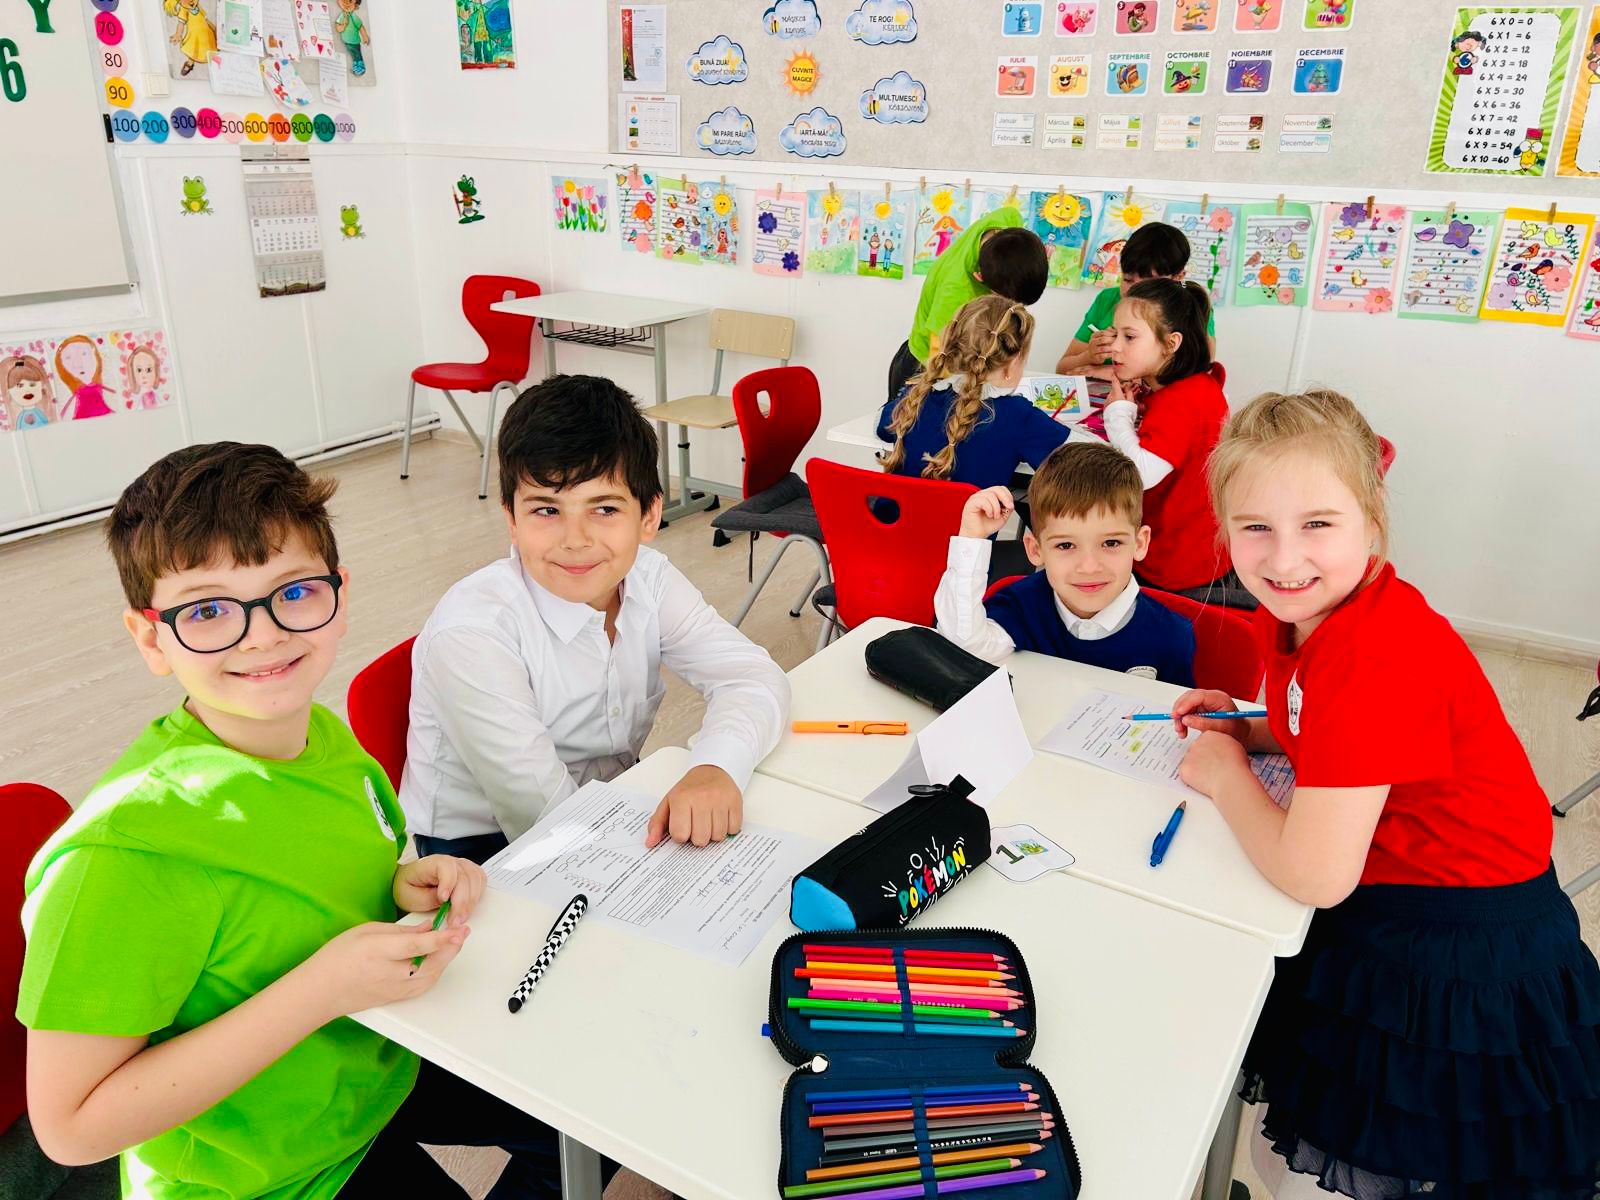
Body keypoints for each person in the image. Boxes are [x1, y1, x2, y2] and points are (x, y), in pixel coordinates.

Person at [18, 442, 580, 1197]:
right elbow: (70, 1128)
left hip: (372, 1064)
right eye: (208, 610)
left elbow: (299, 886)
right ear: (152, 639)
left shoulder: (319, 737)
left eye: (294, 592)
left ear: (339, 594)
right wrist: (322, 989)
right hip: (273, 1178)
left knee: (591, 1112)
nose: (263, 635)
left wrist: (399, 884)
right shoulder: (125, 854)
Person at [1173, 389, 1600, 1200]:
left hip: (1454, 944)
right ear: (1223, 528)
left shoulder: (1375, 652)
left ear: (1372, 521)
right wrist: (1251, 730)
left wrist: (1226, 774)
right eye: (1255, 527)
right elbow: (1322, 724)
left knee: (1365, 1161)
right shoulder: (1309, 609)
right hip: (1404, 892)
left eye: (1317, 524)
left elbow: (1315, 875)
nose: (1284, 558)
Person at [401, 374, 789, 864]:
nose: (575, 540)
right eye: (546, 510)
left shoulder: (647, 577)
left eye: (604, 508)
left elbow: (751, 676)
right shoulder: (474, 635)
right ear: (511, 519)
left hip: (610, 799)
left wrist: (717, 767)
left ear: (649, 516)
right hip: (484, 845)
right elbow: (547, 820)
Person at [935, 441, 1195, 685]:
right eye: (1066, 546)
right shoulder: (1023, 605)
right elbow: (964, 646)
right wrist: (971, 538)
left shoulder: (1171, 637)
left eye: (1111, 543)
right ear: (1035, 550)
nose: (1089, 567)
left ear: (1139, 543)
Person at [877, 296, 1069, 579]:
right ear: (1013, 363)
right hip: (965, 571)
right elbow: (1071, 462)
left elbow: (882, 426)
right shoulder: (1018, 415)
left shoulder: (916, 396)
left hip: (888, 558)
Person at [1096, 277, 1242, 603]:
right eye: (1114, 334)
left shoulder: (1182, 400)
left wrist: (1118, 416)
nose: (1115, 347)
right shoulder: (1194, 384)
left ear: (1171, 343)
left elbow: (1140, 474)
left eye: (1129, 337)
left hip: (1177, 565)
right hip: (1198, 549)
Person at [888, 204, 1048, 403]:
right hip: (925, 366)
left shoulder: (1006, 222)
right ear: (980, 278)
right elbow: (939, 356)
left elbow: (1012, 217)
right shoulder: (956, 293)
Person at [1055, 221, 1217, 375]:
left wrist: (1114, 373)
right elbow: (1062, 369)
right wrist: (1089, 356)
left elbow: (1200, 373)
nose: (1135, 292)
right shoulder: (1107, 299)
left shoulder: (1191, 306)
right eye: (1128, 279)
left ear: (1178, 277)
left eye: (1149, 284)